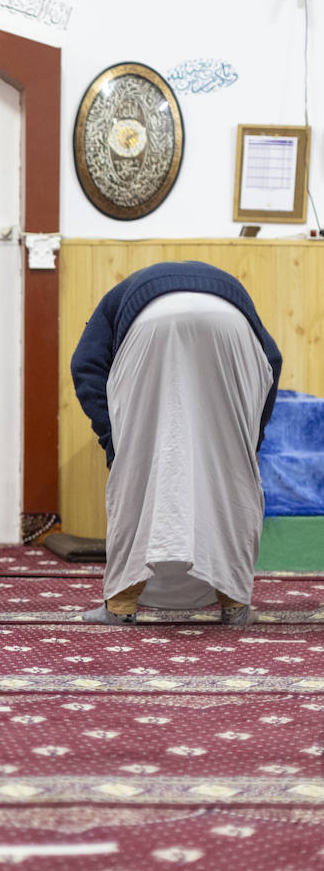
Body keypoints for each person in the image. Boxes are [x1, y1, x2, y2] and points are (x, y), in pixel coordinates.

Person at [71, 261, 282, 626]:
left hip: (150, 325)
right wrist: (248, 443)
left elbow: (86, 364)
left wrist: (117, 444)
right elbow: (271, 361)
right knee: (230, 478)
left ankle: (121, 607)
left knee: (137, 476)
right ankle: (235, 606)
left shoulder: (114, 301)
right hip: (233, 326)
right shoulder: (221, 285)